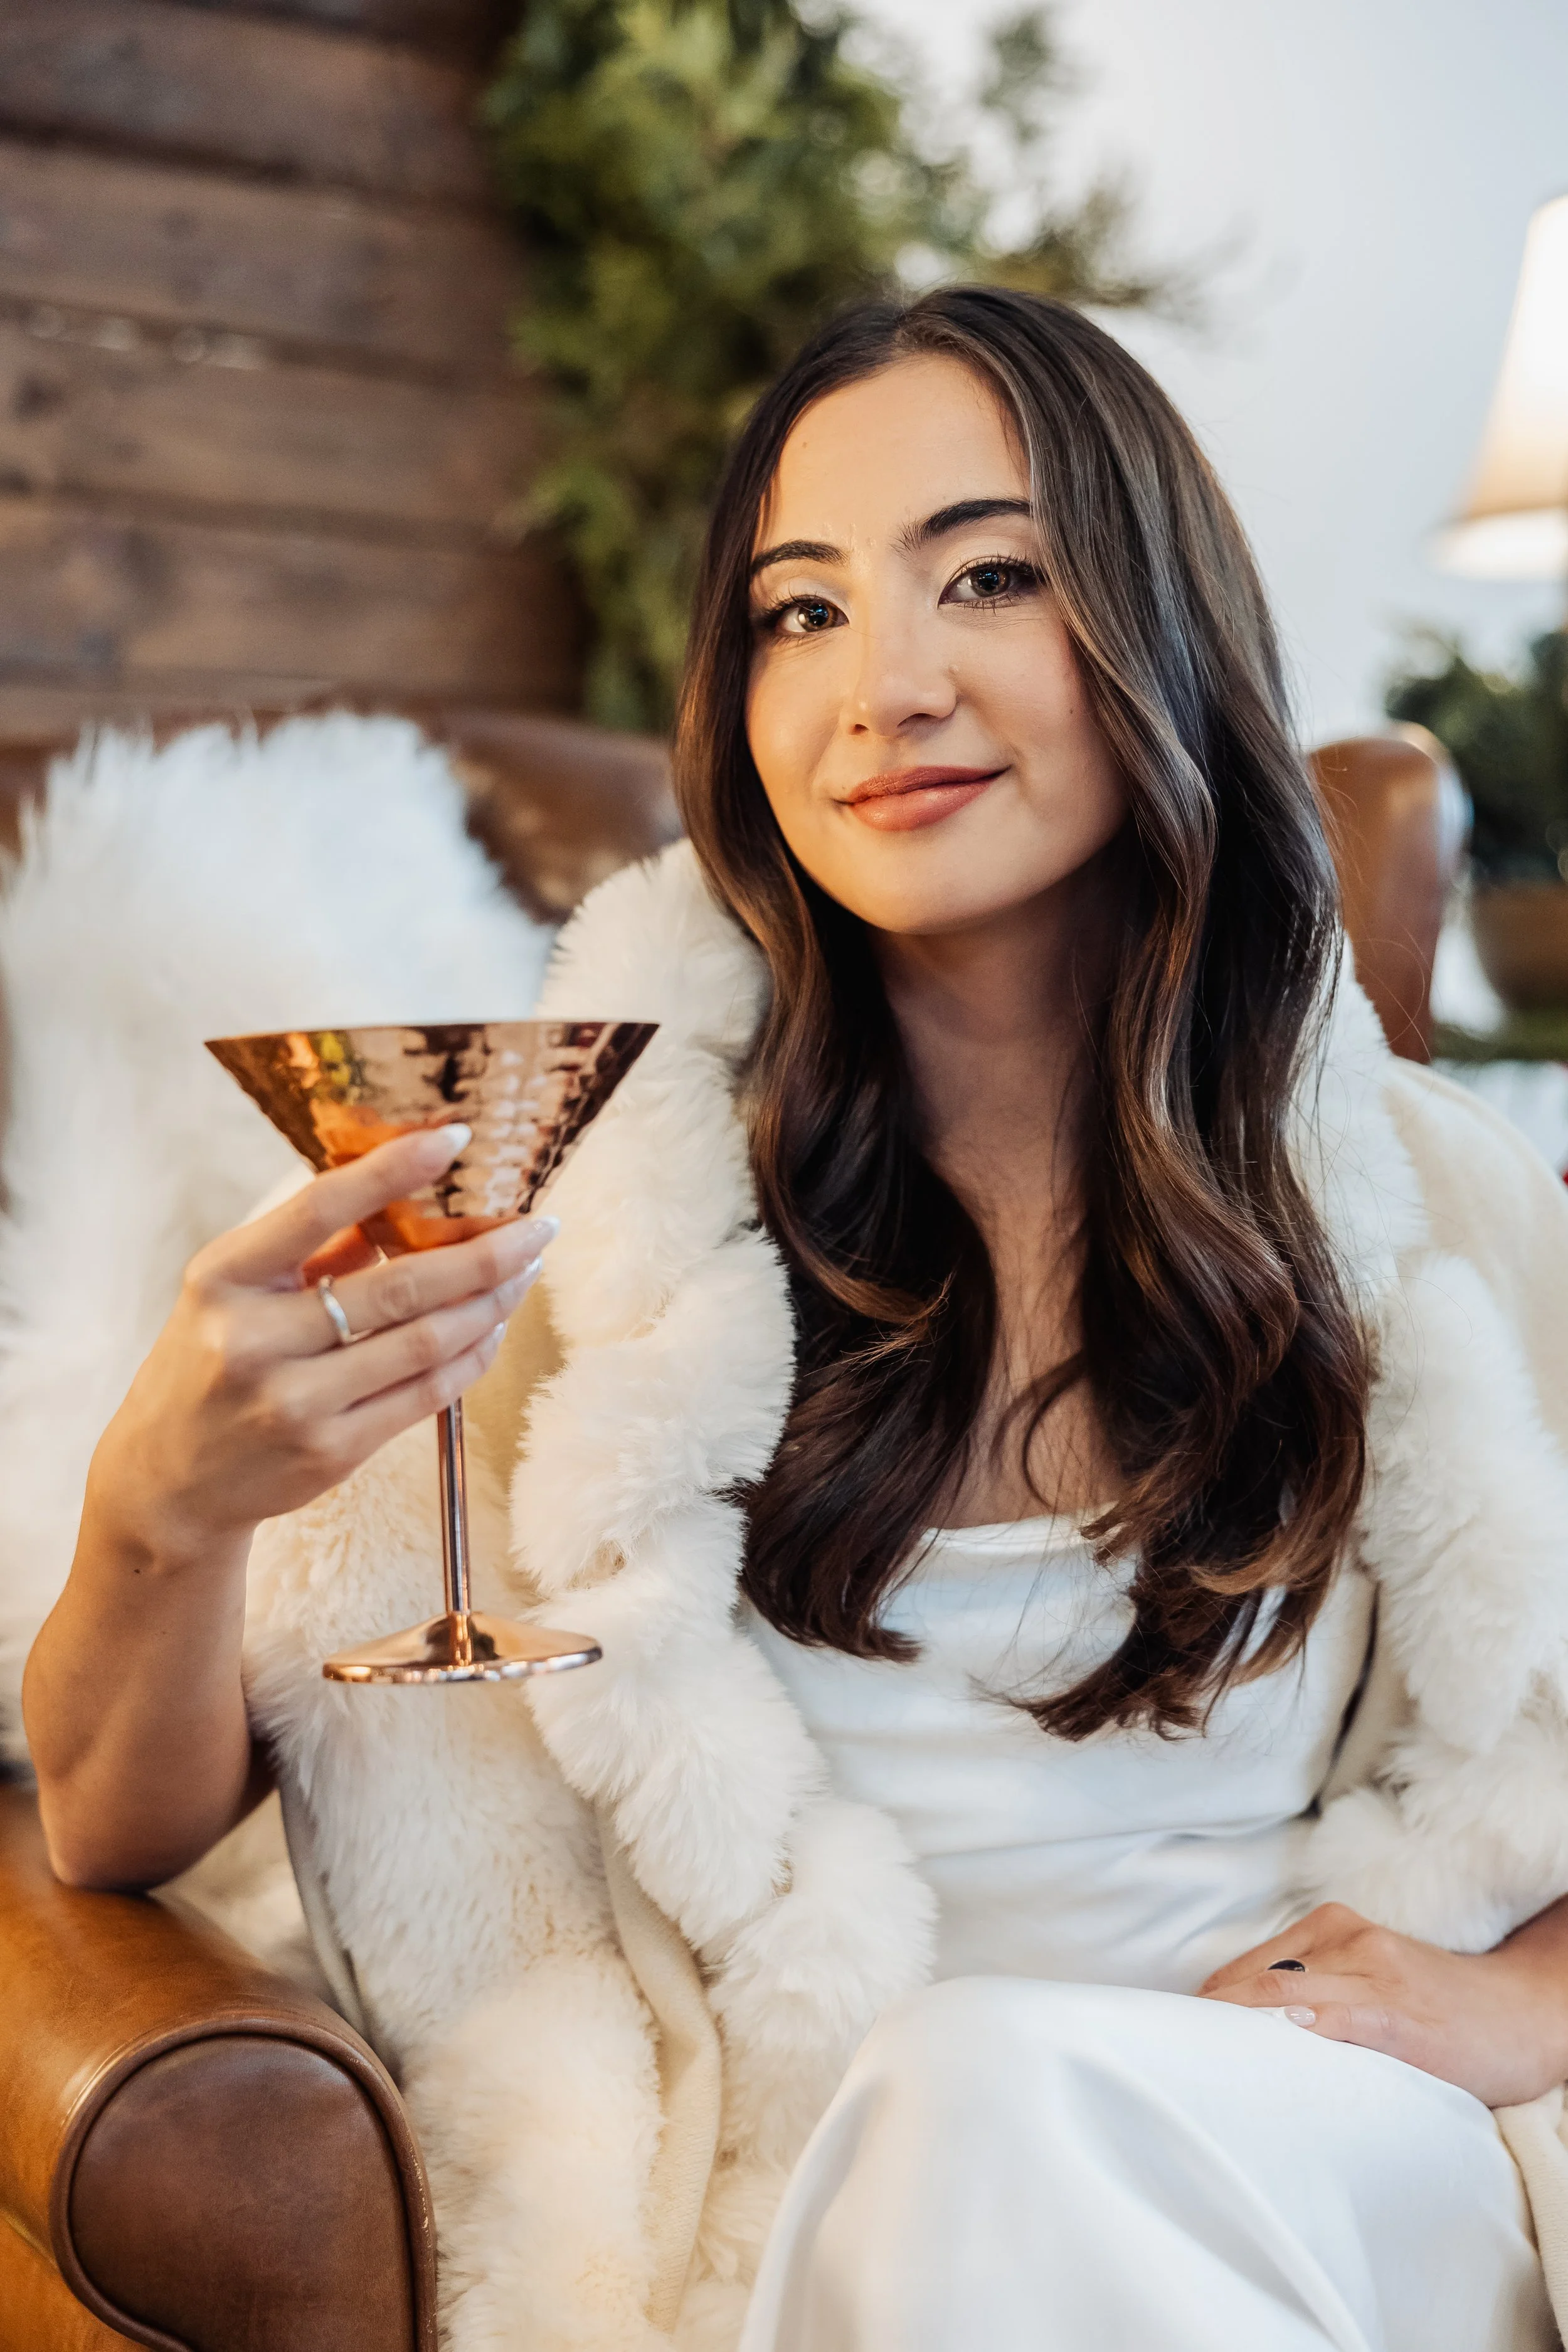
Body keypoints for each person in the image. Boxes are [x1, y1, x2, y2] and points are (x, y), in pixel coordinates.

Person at [21, 288, 1568, 2352]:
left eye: (986, 577)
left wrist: (1510, 1998)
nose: (882, 688)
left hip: (1324, 2190)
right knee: (950, 2100)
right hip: (789, 2247)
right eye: (800, 611)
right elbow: (112, 1826)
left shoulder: (1436, 1208)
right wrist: (162, 1505)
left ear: (1159, 625)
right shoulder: (573, 1234)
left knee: (984, 2088)